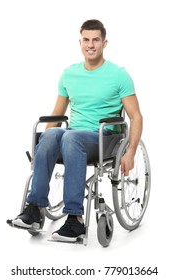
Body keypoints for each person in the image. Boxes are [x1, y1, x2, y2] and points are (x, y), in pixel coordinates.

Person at [10, 19, 143, 242]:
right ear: (80, 42)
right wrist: (41, 149)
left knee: (71, 137)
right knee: (51, 134)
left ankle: (75, 219)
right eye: (86, 40)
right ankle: (34, 209)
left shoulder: (118, 75)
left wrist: (130, 151)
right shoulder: (69, 74)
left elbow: (136, 116)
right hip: (72, 136)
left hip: (102, 138)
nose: (90, 45)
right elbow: (57, 114)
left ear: (104, 43)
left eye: (96, 40)